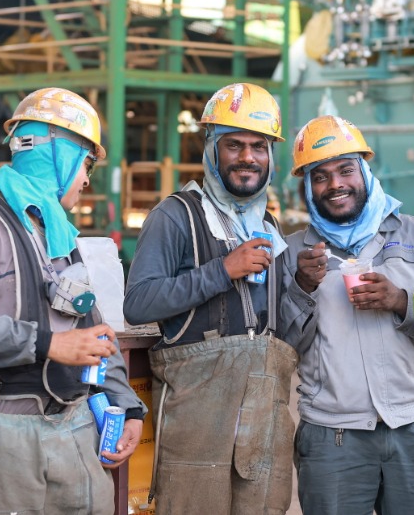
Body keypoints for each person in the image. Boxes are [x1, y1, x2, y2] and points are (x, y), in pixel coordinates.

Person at [0, 88, 147, 515]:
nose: (86, 180)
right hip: (6, 433)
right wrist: (47, 343)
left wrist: (127, 405)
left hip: (76, 426)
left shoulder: (59, 235)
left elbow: (95, 331)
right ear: (59, 156)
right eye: (86, 164)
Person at [123, 83, 297, 514]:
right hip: (195, 426)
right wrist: (222, 270)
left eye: (259, 146)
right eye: (234, 145)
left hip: (264, 423)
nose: (247, 157)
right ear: (211, 148)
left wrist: (305, 288)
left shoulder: (269, 226)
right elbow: (138, 302)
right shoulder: (175, 215)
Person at [280, 114, 414, 515]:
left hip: (412, 427)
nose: (335, 184)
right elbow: (282, 346)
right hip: (331, 435)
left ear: (364, 170)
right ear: (307, 187)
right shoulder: (292, 252)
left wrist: (401, 301)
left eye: (345, 170)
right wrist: (302, 288)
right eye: (320, 176)